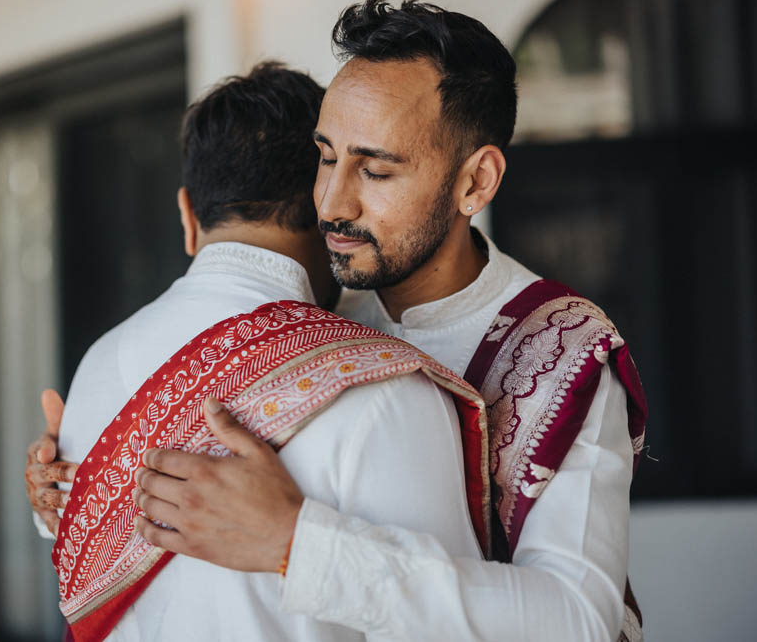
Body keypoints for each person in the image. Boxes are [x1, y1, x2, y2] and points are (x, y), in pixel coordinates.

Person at [28, 0, 648, 641]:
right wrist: (78, 484)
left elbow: (580, 622)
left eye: (375, 169)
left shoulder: (560, 350)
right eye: (326, 157)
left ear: (476, 182)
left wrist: (299, 544)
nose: (330, 202)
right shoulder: (306, 312)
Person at [33, 61, 488, 641]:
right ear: (331, 205)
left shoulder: (98, 364)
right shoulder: (381, 384)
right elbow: (456, 626)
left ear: (187, 215)